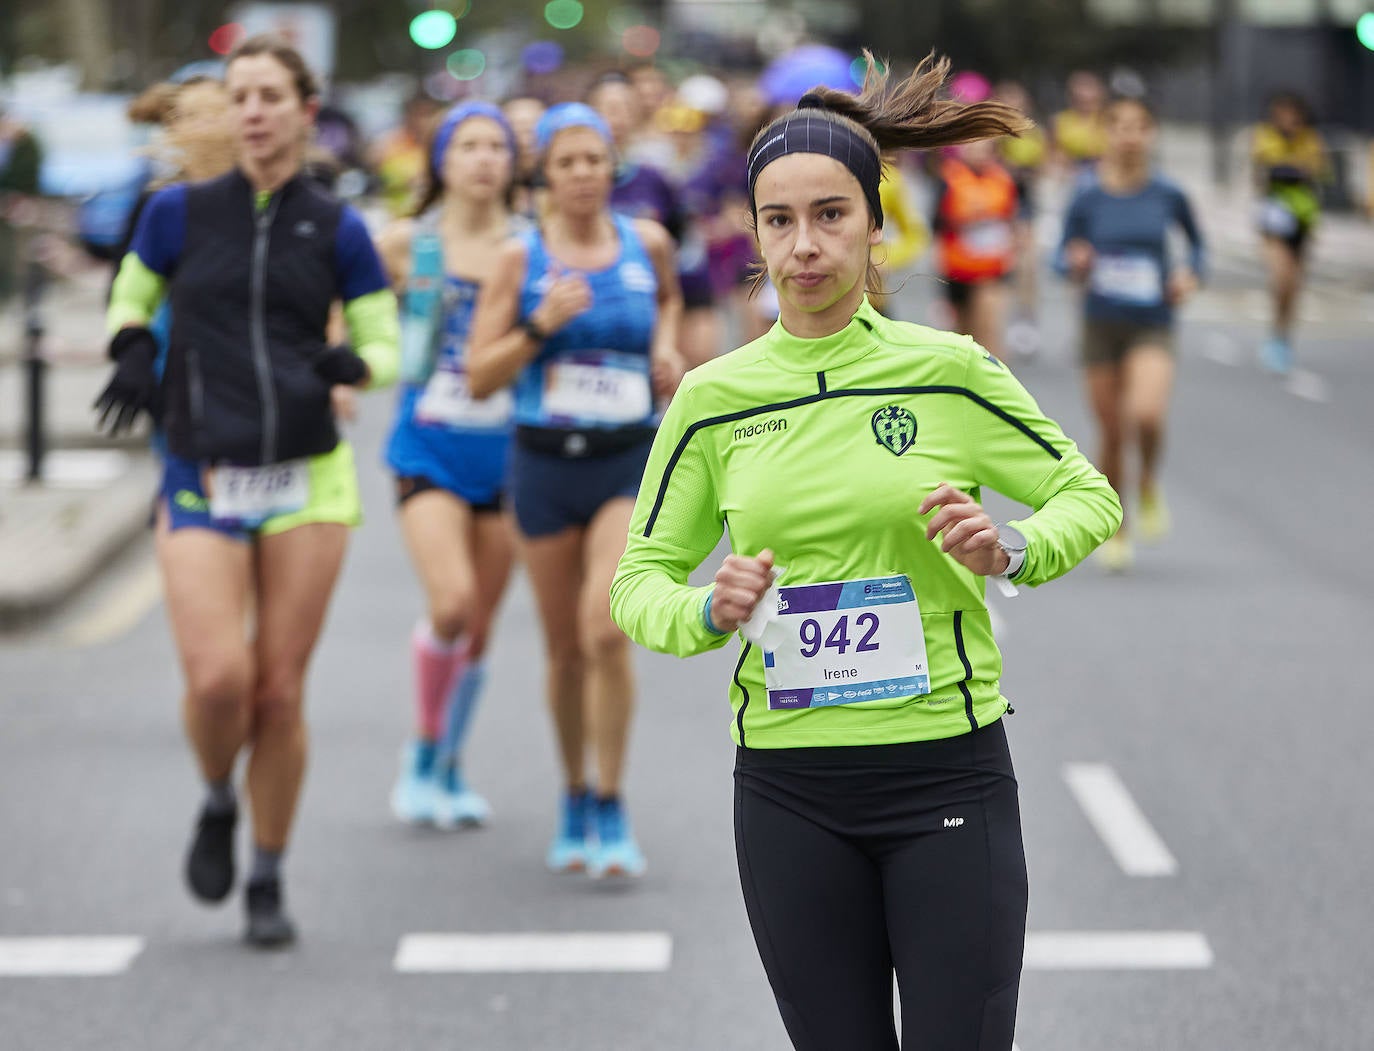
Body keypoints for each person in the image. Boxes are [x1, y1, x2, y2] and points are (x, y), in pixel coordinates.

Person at [609, 53, 1121, 1051]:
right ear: (755, 233)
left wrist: (1013, 548)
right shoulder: (714, 398)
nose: (806, 244)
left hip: (946, 772)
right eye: (781, 220)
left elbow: (1084, 495)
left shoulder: (947, 370)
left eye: (832, 215)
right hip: (791, 792)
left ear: (877, 224)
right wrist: (707, 608)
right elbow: (639, 583)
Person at [95, 34, 399, 947]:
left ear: (306, 113)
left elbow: (387, 346)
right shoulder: (177, 215)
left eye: (272, 94)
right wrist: (133, 347)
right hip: (201, 467)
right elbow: (129, 297)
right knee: (219, 676)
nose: (255, 110)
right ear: (228, 112)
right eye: (241, 95)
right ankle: (218, 793)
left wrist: (358, 361)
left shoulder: (337, 228)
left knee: (277, 691)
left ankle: (266, 871)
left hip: (306, 476)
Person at [466, 103, 683, 879]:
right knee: (563, 650)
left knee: (605, 629)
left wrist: (663, 352)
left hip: (626, 458)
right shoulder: (518, 259)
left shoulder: (646, 242)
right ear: (546, 175)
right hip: (544, 462)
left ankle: (614, 800)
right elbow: (478, 372)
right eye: (567, 163)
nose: (584, 175)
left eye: (595, 159)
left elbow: (668, 301)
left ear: (612, 166)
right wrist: (539, 326)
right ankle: (574, 793)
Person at [377, 101, 524, 828]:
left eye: (496, 145)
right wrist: (343, 367)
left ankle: (448, 764)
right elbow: (341, 302)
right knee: (451, 604)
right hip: (427, 442)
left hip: (509, 452)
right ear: (441, 160)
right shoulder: (407, 243)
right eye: (468, 145)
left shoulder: (532, 246)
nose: (483, 158)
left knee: (482, 626)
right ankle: (421, 749)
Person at [1057, 96, 1203, 573]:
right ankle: (1117, 528)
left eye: (1139, 126)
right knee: (1112, 433)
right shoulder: (1086, 194)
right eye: (1118, 126)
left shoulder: (1167, 193)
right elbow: (1060, 253)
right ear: (1106, 134)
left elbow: (1198, 246)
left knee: (1145, 415)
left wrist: (1189, 275)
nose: (1129, 135)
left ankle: (1148, 484)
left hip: (1152, 321)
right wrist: (1073, 261)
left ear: (1151, 133)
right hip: (1100, 324)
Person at [1250, 91, 1328, 375]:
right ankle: (1276, 333)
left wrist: (1293, 169)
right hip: (1274, 219)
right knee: (1281, 277)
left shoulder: (1310, 139)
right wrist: (1291, 169)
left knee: (1294, 286)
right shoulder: (1264, 135)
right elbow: (1269, 169)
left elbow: (1315, 169)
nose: (1288, 121)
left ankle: (1281, 336)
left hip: (1303, 219)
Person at [931, 137, 1020, 361]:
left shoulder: (1004, 180)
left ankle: (994, 381)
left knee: (988, 328)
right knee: (962, 334)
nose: (979, 154)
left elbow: (1014, 219)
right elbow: (935, 223)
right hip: (958, 267)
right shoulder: (949, 179)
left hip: (991, 268)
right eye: (973, 148)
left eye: (984, 150)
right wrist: (964, 221)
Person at [994, 79, 1049, 357]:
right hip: (989, 202)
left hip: (1020, 200)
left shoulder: (1032, 135)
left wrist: (1018, 170)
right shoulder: (989, 134)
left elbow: (1039, 168)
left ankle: (1025, 320)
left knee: (1027, 261)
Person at [372, 93, 440, 218]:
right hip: (394, 216)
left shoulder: (440, 145)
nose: (423, 121)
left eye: (428, 114)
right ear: (408, 116)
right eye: (419, 114)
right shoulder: (389, 144)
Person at [1052, 70, 1107, 178]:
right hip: (1072, 170)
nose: (1084, 94)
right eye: (1080, 88)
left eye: (1088, 87)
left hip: (1103, 167)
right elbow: (1056, 152)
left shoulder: (1109, 117)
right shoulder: (1061, 120)